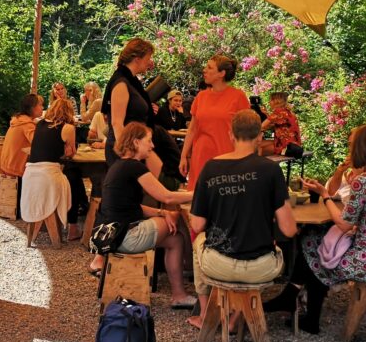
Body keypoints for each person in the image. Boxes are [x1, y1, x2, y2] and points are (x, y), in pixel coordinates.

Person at [295, 124, 366, 334]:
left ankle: (309, 315)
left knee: (310, 241)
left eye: (352, 147)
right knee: (324, 244)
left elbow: (344, 223)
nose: (350, 152)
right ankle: (300, 301)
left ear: (363, 148)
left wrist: (325, 195)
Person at [185, 111, 297, 327]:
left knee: (198, 242)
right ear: (259, 137)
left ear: (230, 135)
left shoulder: (210, 168)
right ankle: (237, 316)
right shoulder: (271, 170)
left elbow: (197, 225)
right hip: (261, 267)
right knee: (275, 250)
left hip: (219, 265)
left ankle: (207, 314)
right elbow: (289, 230)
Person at [94, 122, 196, 308]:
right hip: (124, 236)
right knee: (176, 219)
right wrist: (197, 194)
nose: (152, 145)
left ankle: (179, 294)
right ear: (135, 142)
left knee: (175, 240)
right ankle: (191, 271)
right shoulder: (134, 167)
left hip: (110, 236)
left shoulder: (119, 166)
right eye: (148, 141)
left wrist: (162, 212)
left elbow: (132, 206)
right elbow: (166, 195)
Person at [179, 55, 250, 190]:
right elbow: (192, 129)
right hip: (200, 157)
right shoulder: (201, 96)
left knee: (224, 200)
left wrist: (246, 160)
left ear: (221, 74)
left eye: (209, 67)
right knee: (199, 200)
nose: (204, 70)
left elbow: (247, 132)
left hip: (227, 157)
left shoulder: (238, 96)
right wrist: (183, 156)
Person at [20, 98, 84, 242]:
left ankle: (72, 224)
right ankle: (73, 226)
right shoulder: (68, 128)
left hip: (30, 173)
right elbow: (70, 153)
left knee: (73, 177)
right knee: (74, 178)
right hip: (48, 175)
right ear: (69, 111)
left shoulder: (39, 124)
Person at [102, 38, 162, 174]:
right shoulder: (121, 83)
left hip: (136, 147)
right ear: (137, 59)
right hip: (127, 150)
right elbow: (117, 123)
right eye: (148, 58)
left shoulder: (132, 81)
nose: (149, 62)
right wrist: (128, 155)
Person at [0, 93, 43, 180]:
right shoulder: (27, 125)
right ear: (32, 107)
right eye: (40, 105)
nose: (42, 108)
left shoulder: (19, 119)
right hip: (16, 170)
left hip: (7, 165)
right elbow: (39, 144)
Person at [260, 91, 301, 155]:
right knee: (259, 143)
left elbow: (261, 126)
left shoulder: (279, 112)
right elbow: (275, 123)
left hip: (285, 146)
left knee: (255, 149)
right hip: (294, 145)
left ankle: (256, 164)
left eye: (270, 100)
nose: (269, 102)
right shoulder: (287, 111)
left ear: (276, 101)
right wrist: (266, 114)